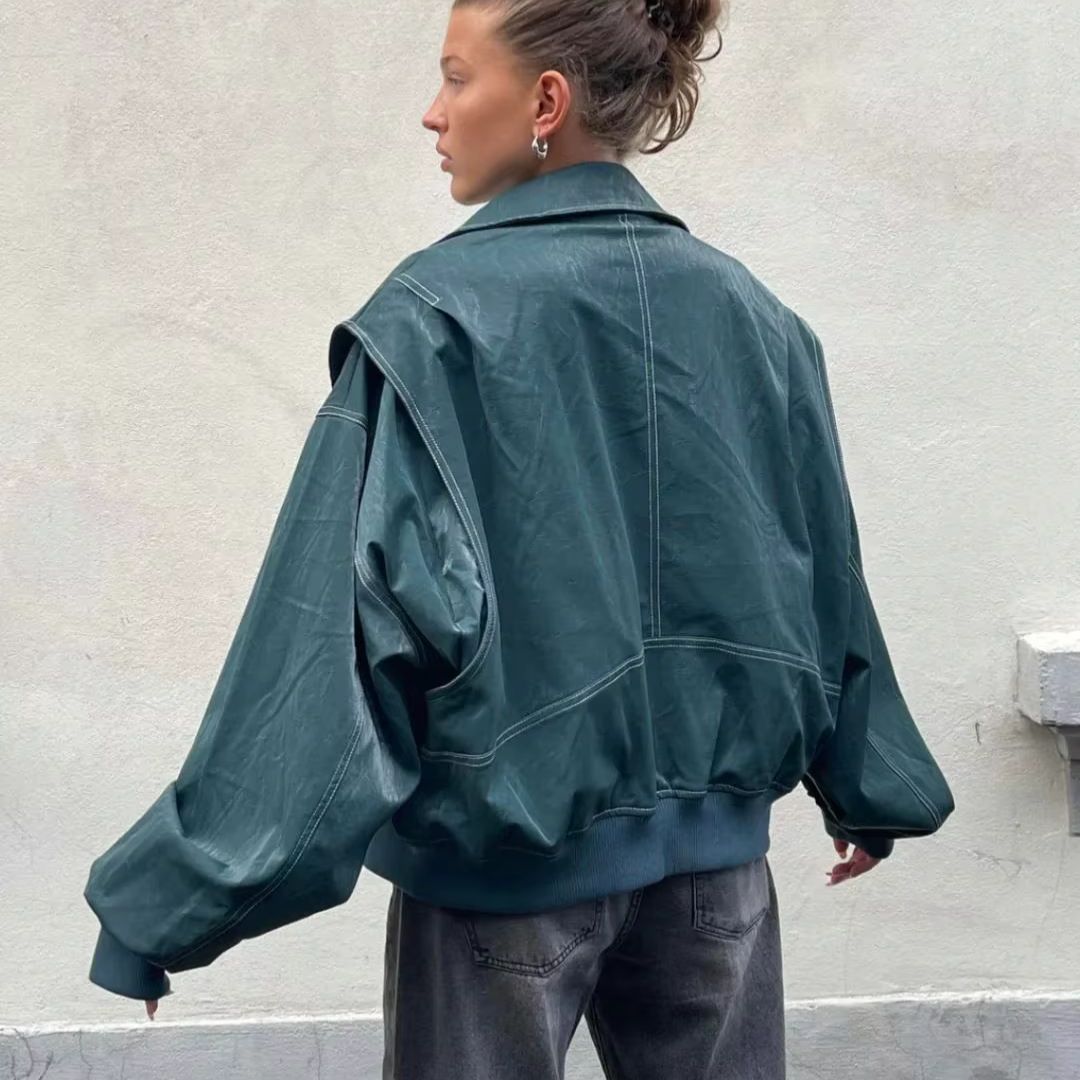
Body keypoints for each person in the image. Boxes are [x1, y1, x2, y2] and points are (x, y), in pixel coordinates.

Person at [83, 1, 956, 1076]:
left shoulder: (433, 321)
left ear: (546, 101)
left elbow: (327, 642)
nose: (432, 112)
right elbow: (823, 577)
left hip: (503, 883)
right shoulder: (758, 318)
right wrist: (867, 784)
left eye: (458, 77)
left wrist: (165, 909)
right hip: (719, 880)